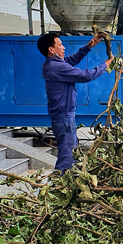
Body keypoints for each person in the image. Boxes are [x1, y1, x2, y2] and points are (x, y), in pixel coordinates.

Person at [38, 32, 113, 171]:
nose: (64, 47)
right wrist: (105, 65)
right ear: (51, 50)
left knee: (68, 151)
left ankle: (63, 182)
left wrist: (89, 46)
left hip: (62, 115)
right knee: (67, 154)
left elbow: (71, 60)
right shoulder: (56, 67)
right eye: (60, 45)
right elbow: (86, 76)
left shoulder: (53, 64)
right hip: (63, 116)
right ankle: (62, 184)